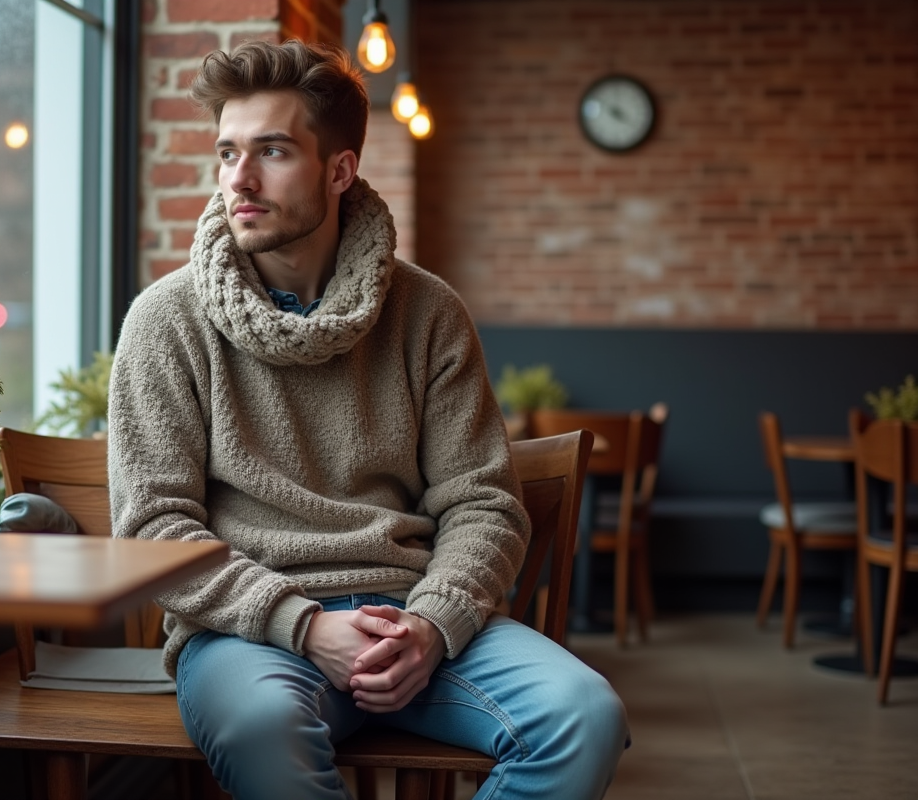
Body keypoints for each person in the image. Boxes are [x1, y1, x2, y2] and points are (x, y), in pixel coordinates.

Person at [108, 38, 628, 800]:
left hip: (413, 621)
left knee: (585, 715)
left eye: (271, 151)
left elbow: (484, 502)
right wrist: (302, 625)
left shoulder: (428, 313)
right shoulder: (165, 321)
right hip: (251, 635)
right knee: (261, 728)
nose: (239, 179)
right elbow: (153, 526)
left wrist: (433, 626)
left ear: (340, 170)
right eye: (226, 153)